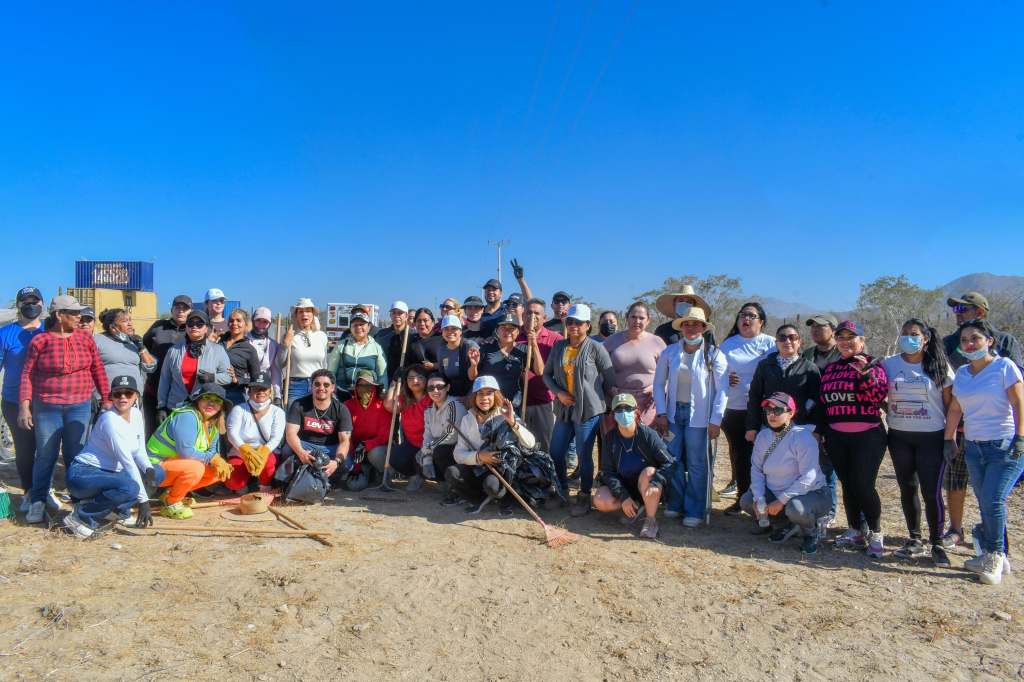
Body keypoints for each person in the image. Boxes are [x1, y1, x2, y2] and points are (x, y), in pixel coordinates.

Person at [941, 291, 1024, 547]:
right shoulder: (949, 342)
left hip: (999, 431)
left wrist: (1020, 435)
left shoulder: (1006, 343)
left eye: (963, 309)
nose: (957, 314)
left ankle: (995, 543)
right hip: (963, 429)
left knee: (992, 495)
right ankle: (956, 529)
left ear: (980, 312)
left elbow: (1017, 388)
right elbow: (947, 386)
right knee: (956, 481)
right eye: (955, 310)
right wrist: (948, 435)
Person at [19, 295, 109, 524]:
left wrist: (107, 399)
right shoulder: (40, 341)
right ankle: (38, 501)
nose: (79, 317)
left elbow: (98, 369)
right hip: (46, 407)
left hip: (79, 406)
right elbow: (27, 374)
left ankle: (79, 501)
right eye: (74, 313)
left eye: (80, 313)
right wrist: (24, 406)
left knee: (76, 455)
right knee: (45, 455)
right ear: (59, 315)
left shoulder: (86, 339)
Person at [882, 319, 953, 567]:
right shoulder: (888, 364)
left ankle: (937, 544)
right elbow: (876, 392)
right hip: (899, 436)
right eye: (904, 334)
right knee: (907, 488)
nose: (908, 338)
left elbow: (950, 405)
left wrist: (950, 438)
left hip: (931, 437)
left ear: (925, 339)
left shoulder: (939, 366)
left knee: (931, 492)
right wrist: (890, 410)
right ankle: (914, 539)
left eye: (914, 334)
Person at [819, 321, 889, 557]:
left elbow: (878, 396)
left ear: (862, 340)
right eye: (840, 337)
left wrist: (865, 374)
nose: (845, 342)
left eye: (851, 337)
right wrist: (824, 432)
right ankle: (855, 529)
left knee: (864, 485)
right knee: (848, 484)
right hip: (837, 435)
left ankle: (876, 533)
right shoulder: (831, 369)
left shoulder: (873, 365)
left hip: (868, 435)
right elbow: (824, 403)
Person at [653, 307, 727, 526]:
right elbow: (658, 384)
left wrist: (716, 420)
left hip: (700, 418)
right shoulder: (670, 352)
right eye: (687, 323)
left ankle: (694, 509)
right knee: (672, 458)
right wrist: (661, 412)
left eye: (696, 324)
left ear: (703, 328)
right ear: (681, 327)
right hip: (673, 414)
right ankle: (675, 503)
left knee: (696, 462)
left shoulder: (714, 354)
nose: (691, 327)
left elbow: (722, 390)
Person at [543, 303, 617, 516]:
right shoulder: (559, 346)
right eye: (570, 322)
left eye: (578, 322)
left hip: (589, 411)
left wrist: (609, 405)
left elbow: (610, 380)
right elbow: (547, 375)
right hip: (564, 408)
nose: (573, 326)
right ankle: (562, 490)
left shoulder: (596, 348)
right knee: (556, 452)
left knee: (584, 455)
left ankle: (584, 496)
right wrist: (559, 393)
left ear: (587, 325)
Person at [63, 375, 156, 537]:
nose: (123, 398)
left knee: (158, 473)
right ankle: (81, 516)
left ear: (136, 396)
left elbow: (139, 450)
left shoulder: (136, 414)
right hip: (83, 474)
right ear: (111, 397)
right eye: (117, 394)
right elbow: (127, 462)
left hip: (109, 474)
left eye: (128, 393)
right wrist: (144, 501)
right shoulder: (110, 420)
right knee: (130, 487)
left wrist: (149, 469)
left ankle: (114, 511)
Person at [739, 392, 831, 555]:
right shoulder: (763, 436)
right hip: (777, 492)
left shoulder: (803, 437)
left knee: (795, 509)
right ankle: (785, 525)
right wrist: (759, 498)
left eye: (777, 410)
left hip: (812, 494)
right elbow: (757, 469)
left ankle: (811, 533)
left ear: (791, 413)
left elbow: (809, 478)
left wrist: (781, 501)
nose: (772, 415)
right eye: (768, 410)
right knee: (747, 501)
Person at [450, 375, 553, 513]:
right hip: (476, 466)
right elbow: (458, 454)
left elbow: (530, 443)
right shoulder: (467, 419)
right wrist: (479, 456)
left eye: (489, 393)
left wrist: (513, 423)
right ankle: (477, 498)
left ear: (496, 396)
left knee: (492, 485)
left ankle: (505, 498)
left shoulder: (505, 414)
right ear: (474, 397)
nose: (484, 398)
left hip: (500, 471)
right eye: (480, 394)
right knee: (452, 472)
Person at [718, 302, 775, 510]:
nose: (746, 319)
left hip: (764, 411)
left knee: (764, 456)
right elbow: (715, 371)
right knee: (740, 455)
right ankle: (743, 499)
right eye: (743, 314)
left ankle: (767, 501)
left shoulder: (771, 343)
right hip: (734, 408)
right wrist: (724, 377)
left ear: (762, 322)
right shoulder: (727, 345)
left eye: (752, 315)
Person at [147, 382, 234, 519]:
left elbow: (212, 451)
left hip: (175, 465)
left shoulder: (214, 422)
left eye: (217, 401)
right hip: (154, 467)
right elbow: (186, 452)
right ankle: (172, 503)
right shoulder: (187, 416)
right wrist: (212, 458)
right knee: (196, 468)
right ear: (198, 400)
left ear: (221, 406)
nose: (211, 403)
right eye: (207, 398)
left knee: (219, 472)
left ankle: (170, 494)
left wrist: (217, 459)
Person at [593, 393, 673, 539]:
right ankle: (633, 507)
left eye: (628, 409)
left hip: (646, 484)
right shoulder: (609, 438)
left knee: (649, 472)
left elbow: (669, 463)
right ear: (613, 415)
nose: (624, 413)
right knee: (600, 500)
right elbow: (607, 472)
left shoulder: (648, 435)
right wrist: (623, 497)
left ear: (636, 412)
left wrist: (657, 481)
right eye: (619, 409)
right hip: (624, 486)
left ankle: (650, 520)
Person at [0, 286, 46, 510]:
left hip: (46, 400)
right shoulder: (5, 333)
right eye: (26, 301)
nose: (31, 305)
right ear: (18, 305)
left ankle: (44, 490)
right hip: (14, 401)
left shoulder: (50, 330)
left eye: (35, 301)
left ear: (42, 304)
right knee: (25, 448)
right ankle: (29, 492)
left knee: (46, 449)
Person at [745, 324, 821, 436]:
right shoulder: (764, 366)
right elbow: (755, 397)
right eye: (782, 338)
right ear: (776, 342)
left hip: (800, 428)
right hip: (769, 426)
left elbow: (817, 401)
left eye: (792, 337)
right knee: (770, 449)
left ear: (799, 342)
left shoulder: (810, 368)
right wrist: (752, 427)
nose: (787, 341)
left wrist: (817, 430)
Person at [281, 369, 351, 486]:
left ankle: (327, 482)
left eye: (326, 385)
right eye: (317, 384)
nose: (321, 388)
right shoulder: (298, 404)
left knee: (347, 462)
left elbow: (345, 441)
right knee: (287, 450)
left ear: (332, 388)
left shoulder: (341, 409)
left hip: (330, 448)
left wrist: (336, 462)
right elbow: (290, 433)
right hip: (305, 444)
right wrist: (301, 453)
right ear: (311, 386)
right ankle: (288, 481)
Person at [157, 310, 231, 419]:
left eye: (199, 324)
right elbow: (165, 380)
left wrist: (212, 377)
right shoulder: (173, 350)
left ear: (206, 328)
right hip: (175, 408)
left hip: (204, 409)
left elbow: (228, 377)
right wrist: (161, 406)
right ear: (186, 327)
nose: (194, 327)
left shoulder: (218, 350)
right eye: (190, 323)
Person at [603, 302, 666, 425]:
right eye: (633, 317)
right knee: (619, 436)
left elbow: (668, 374)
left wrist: (655, 389)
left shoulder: (657, 342)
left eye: (641, 318)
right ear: (627, 317)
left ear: (648, 320)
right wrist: (610, 390)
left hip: (648, 403)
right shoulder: (612, 340)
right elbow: (599, 369)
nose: (637, 321)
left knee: (646, 436)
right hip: (618, 401)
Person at [224, 370, 285, 493]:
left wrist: (264, 451)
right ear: (249, 391)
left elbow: (276, 437)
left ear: (270, 391)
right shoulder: (239, 409)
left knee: (268, 462)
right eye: (256, 388)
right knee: (233, 481)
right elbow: (232, 433)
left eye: (264, 389)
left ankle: (265, 485)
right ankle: (246, 484)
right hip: (240, 453)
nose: (260, 392)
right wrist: (244, 449)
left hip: (266, 452)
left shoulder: (278, 412)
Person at [375, 365, 433, 490]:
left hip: (431, 444)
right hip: (412, 444)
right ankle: (415, 475)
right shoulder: (406, 399)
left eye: (420, 377)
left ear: (426, 380)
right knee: (395, 457)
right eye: (410, 378)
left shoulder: (432, 397)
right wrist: (394, 382)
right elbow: (389, 405)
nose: (415, 381)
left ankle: (428, 475)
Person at [142, 294, 192, 435]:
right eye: (177, 307)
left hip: (180, 394)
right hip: (154, 389)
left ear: (190, 311)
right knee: (152, 432)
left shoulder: (193, 331)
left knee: (178, 434)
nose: (180, 311)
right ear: (172, 310)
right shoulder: (158, 327)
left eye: (185, 308)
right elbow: (144, 347)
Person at [518, 298, 562, 453]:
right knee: (520, 444)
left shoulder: (556, 339)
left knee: (544, 445)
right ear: (523, 316)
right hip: (518, 402)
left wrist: (534, 343)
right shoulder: (514, 335)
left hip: (543, 401)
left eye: (537, 313)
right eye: (529, 312)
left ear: (545, 318)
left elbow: (544, 372)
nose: (532, 316)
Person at [469, 313, 536, 407]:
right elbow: (472, 377)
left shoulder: (524, 350)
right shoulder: (486, 348)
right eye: (503, 328)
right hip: (488, 403)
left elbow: (540, 371)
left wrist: (534, 344)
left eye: (511, 328)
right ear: (497, 331)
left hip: (513, 403)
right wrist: (473, 365)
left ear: (518, 332)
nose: (507, 331)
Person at [421, 372, 468, 505]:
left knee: (440, 452)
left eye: (439, 387)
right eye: (431, 388)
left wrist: (427, 450)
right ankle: (447, 484)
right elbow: (427, 434)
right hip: (437, 448)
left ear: (447, 387)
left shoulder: (454, 405)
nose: (435, 391)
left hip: (458, 451)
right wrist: (426, 459)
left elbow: (450, 435)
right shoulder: (429, 409)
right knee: (420, 459)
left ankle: (459, 490)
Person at [343, 370, 391, 490]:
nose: (364, 389)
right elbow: (346, 436)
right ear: (356, 388)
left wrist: (365, 445)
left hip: (377, 450)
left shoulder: (383, 406)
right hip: (356, 453)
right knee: (355, 486)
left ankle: (383, 473)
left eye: (368, 385)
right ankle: (366, 471)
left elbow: (384, 436)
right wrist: (356, 466)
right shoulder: (347, 406)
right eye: (361, 385)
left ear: (374, 387)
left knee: (375, 453)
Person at [279, 298, 329, 406]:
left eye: (308, 311)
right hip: (296, 386)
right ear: (296, 315)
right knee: (293, 416)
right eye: (300, 311)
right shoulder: (289, 335)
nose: (304, 314)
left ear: (313, 315)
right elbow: (279, 363)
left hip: (318, 385)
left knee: (316, 416)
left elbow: (325, 364)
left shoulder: (322, 336)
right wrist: (285, 345)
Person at [327, 310, 387, 400]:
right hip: (342, 393)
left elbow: (382, 374)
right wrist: (331, 389)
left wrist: (383, 393)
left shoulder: (376, 348)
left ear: (369, 327)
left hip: (367, 394)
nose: (358, 327)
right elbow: (331, 371)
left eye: (362, 324)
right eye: (355, 325)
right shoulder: (341, 345)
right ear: (350, 328)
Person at [94, 308, 157, 394]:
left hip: (133, 396)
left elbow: (151, 367)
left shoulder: (134, 342)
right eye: (125, 321)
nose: (130, 324)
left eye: (130, 320)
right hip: (107, 396)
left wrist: (141, 347)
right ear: (112, 327)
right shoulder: (98, 340)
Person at [219, 309, 261, 407]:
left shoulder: (249, 350)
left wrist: (237, 380)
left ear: (246, 324)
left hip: (235, 395)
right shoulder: (219, 341)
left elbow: (256, 378)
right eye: (231, 320)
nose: (234, 323)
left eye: (238, 320)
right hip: (215, 392)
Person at [435, 315, 477, 399]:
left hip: (471, 394)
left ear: (460, 331)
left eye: (454, 328)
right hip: (452, 395)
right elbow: (442, 376)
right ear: (442, 332)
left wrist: (473, 365)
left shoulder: (469, 346)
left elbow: (473, 377)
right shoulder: (441, 351)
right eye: (446, 329)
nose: (450, 332)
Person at [247, 306, 283, 403]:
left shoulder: (273, 345)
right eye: (258, 320)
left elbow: (275, 372)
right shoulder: (244, 340)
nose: (261, 324)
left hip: (263, 389)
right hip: (245, 387)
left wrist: (277, 395)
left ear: (269, 324)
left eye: (265, 322)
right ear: (253, 321)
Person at [374, 301, 412, 381]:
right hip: (384, 377)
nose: (396, 315)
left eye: (400, 313)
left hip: (406, 379)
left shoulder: (413, 335)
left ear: (406, 315)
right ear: (390, 315)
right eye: (393, 313)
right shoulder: (381, 335)